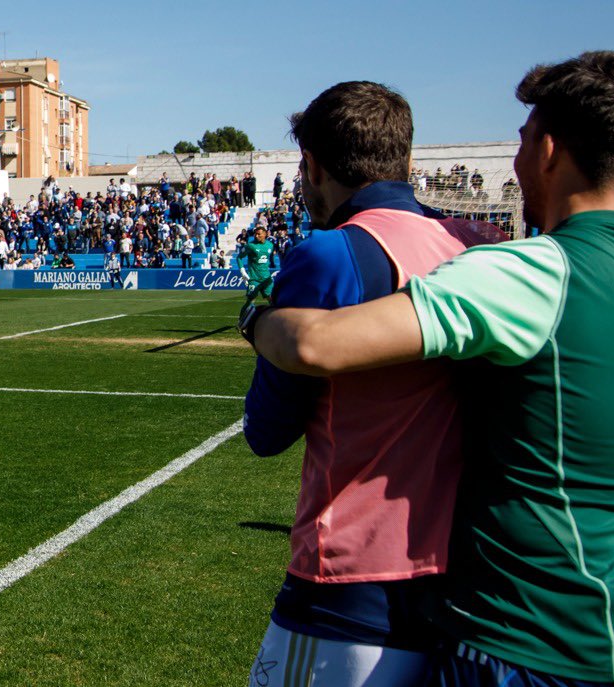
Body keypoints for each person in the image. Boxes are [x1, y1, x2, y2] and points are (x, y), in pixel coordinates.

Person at [248, 51, 614, 686]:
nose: (516, 159)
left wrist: (258, 320)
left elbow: (317, 346)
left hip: (532, 632)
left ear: (550, 150)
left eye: (524, 140)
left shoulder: (528, 271)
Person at [236, 80, 505, 687]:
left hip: (352, 583)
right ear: (407, 161)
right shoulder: (476, 243)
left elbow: (267, 430)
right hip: (466, 576)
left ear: (311, 165)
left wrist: (261, 323)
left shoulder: (330, 253)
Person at [236, 224, 276, 299]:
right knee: (250, 301)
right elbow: (239, 257)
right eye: (255, 234)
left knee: (272, 301)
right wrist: (243, 272)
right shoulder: (250, 245)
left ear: (265, 234)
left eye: (258, 234)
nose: (256, 236)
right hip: (254, 278)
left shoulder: (270, 245)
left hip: (266, 278)